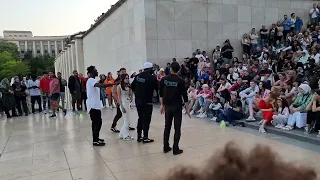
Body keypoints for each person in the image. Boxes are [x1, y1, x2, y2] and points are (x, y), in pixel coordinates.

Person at [160, 62, 190, 155]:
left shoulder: (164, 79)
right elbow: (185, 96)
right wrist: (187, 109)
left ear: (170, 69)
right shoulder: (180, 81)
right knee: (177, 128)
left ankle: (165, 147)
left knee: (167, 127)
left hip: (168, 106)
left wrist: (162, 105)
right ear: (179, 70)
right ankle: (175, 149)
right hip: (177, 107)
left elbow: (161, 93)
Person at [86, 66, 114, 146]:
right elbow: (101, 85)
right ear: (91, 73)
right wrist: (113, 84)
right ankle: (95, 140)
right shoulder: (91, 80)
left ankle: (96, 138)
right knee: (97, 123)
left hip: (95, 106)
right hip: (93, 106)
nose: (97, 72)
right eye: (95, 71)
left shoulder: (92, 80)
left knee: (96, 123)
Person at [131, 62, 158, 143]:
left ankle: (139, 136)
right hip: (147, 102)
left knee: (140, 118)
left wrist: (138, 94)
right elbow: (157, 89)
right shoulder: (152, 78)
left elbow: (132, 86)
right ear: (149, 69)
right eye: (152, 69)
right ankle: (145, 137)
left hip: (138, 101)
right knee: (146, 119)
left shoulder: (138, 76)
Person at [111, 68, 135, 132]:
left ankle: (127, 125)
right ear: (119, 72)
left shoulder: (127, 80)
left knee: (126, 114)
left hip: (126, 100)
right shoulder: (117, 81)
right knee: (119, 114)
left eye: (125, 71)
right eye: (122, 72)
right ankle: (113, 126)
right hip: (120, 100)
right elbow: (114, 92)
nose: (124, 72)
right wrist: (118, 100)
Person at [118, 74, 134, 140]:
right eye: (126, 78)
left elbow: (130, 95)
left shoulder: (128, 86)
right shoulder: (119, 86)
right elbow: (119, 97)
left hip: (128, 103)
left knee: (127, 120)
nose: (127, 79)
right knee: (127, 121)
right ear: (122, 79)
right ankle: (126, 135)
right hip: (123, 104)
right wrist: (121, 106)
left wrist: (131, 90)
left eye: (128, 78)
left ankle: (121, 134)